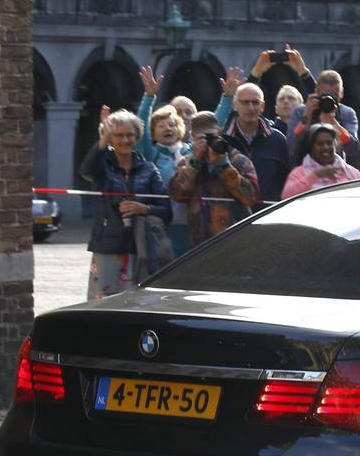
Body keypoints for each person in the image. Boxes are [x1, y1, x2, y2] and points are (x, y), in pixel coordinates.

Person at [80, 109, 172, 300]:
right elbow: (86, 170)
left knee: (139, 303)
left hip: (142, 248)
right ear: (111, 138)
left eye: (129, 135)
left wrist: (144, 209)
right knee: (103, 304)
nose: (125, 140)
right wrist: (104, 138)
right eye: (118, 135)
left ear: (137, 136)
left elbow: (166, 210)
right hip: (107, 247)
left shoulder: (148, 168)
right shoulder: (102, 166)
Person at [170, 112, 261, 246]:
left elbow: (251, 197)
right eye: (202, 138)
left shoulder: (238, 160)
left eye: (212, 136)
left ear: (219, 133)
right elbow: (177, 194)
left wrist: (224, 166)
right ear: (192, 137)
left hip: (237, 241)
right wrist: (194, 164)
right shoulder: (186, 163)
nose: (208, 142)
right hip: (200, 244)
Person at [134, 66, 192, 256]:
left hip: (190, 222)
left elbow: (214, 125)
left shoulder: (190, 151)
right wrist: (149, 97)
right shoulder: (152, 154)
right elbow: (141, 124)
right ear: (153, 131)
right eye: (161, 125)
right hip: (162, 222)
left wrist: (227, 98)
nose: (168, 128)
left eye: (172, 124)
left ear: (181, 129)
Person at [221, 83, 291, 206]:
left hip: (267, 215)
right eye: (245, 102)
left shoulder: (277, 140)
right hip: (233, 216)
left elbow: (286, 183)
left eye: (255, 102)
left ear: (262, 106)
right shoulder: (223, 139)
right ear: (235, 105)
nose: (251, 107)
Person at [286, 69, 360, 162]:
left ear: (342, 93)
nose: (331, 99)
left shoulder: (347, 113)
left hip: (335, 171)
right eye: (326, 94)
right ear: (316, 91)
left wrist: (334, 124)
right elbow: (292, 148)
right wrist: (307, 117)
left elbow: (352, 149)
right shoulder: (300, 111)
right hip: (305, 169)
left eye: (335, 95)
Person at [281, 123, 360, 199]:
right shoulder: (299, 173)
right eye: (320, 144)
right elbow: (286, 196)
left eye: (329, 143)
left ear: (335, 145)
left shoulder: (352, 173)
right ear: (311, 147)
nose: (325, 147)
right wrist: (316, 175)